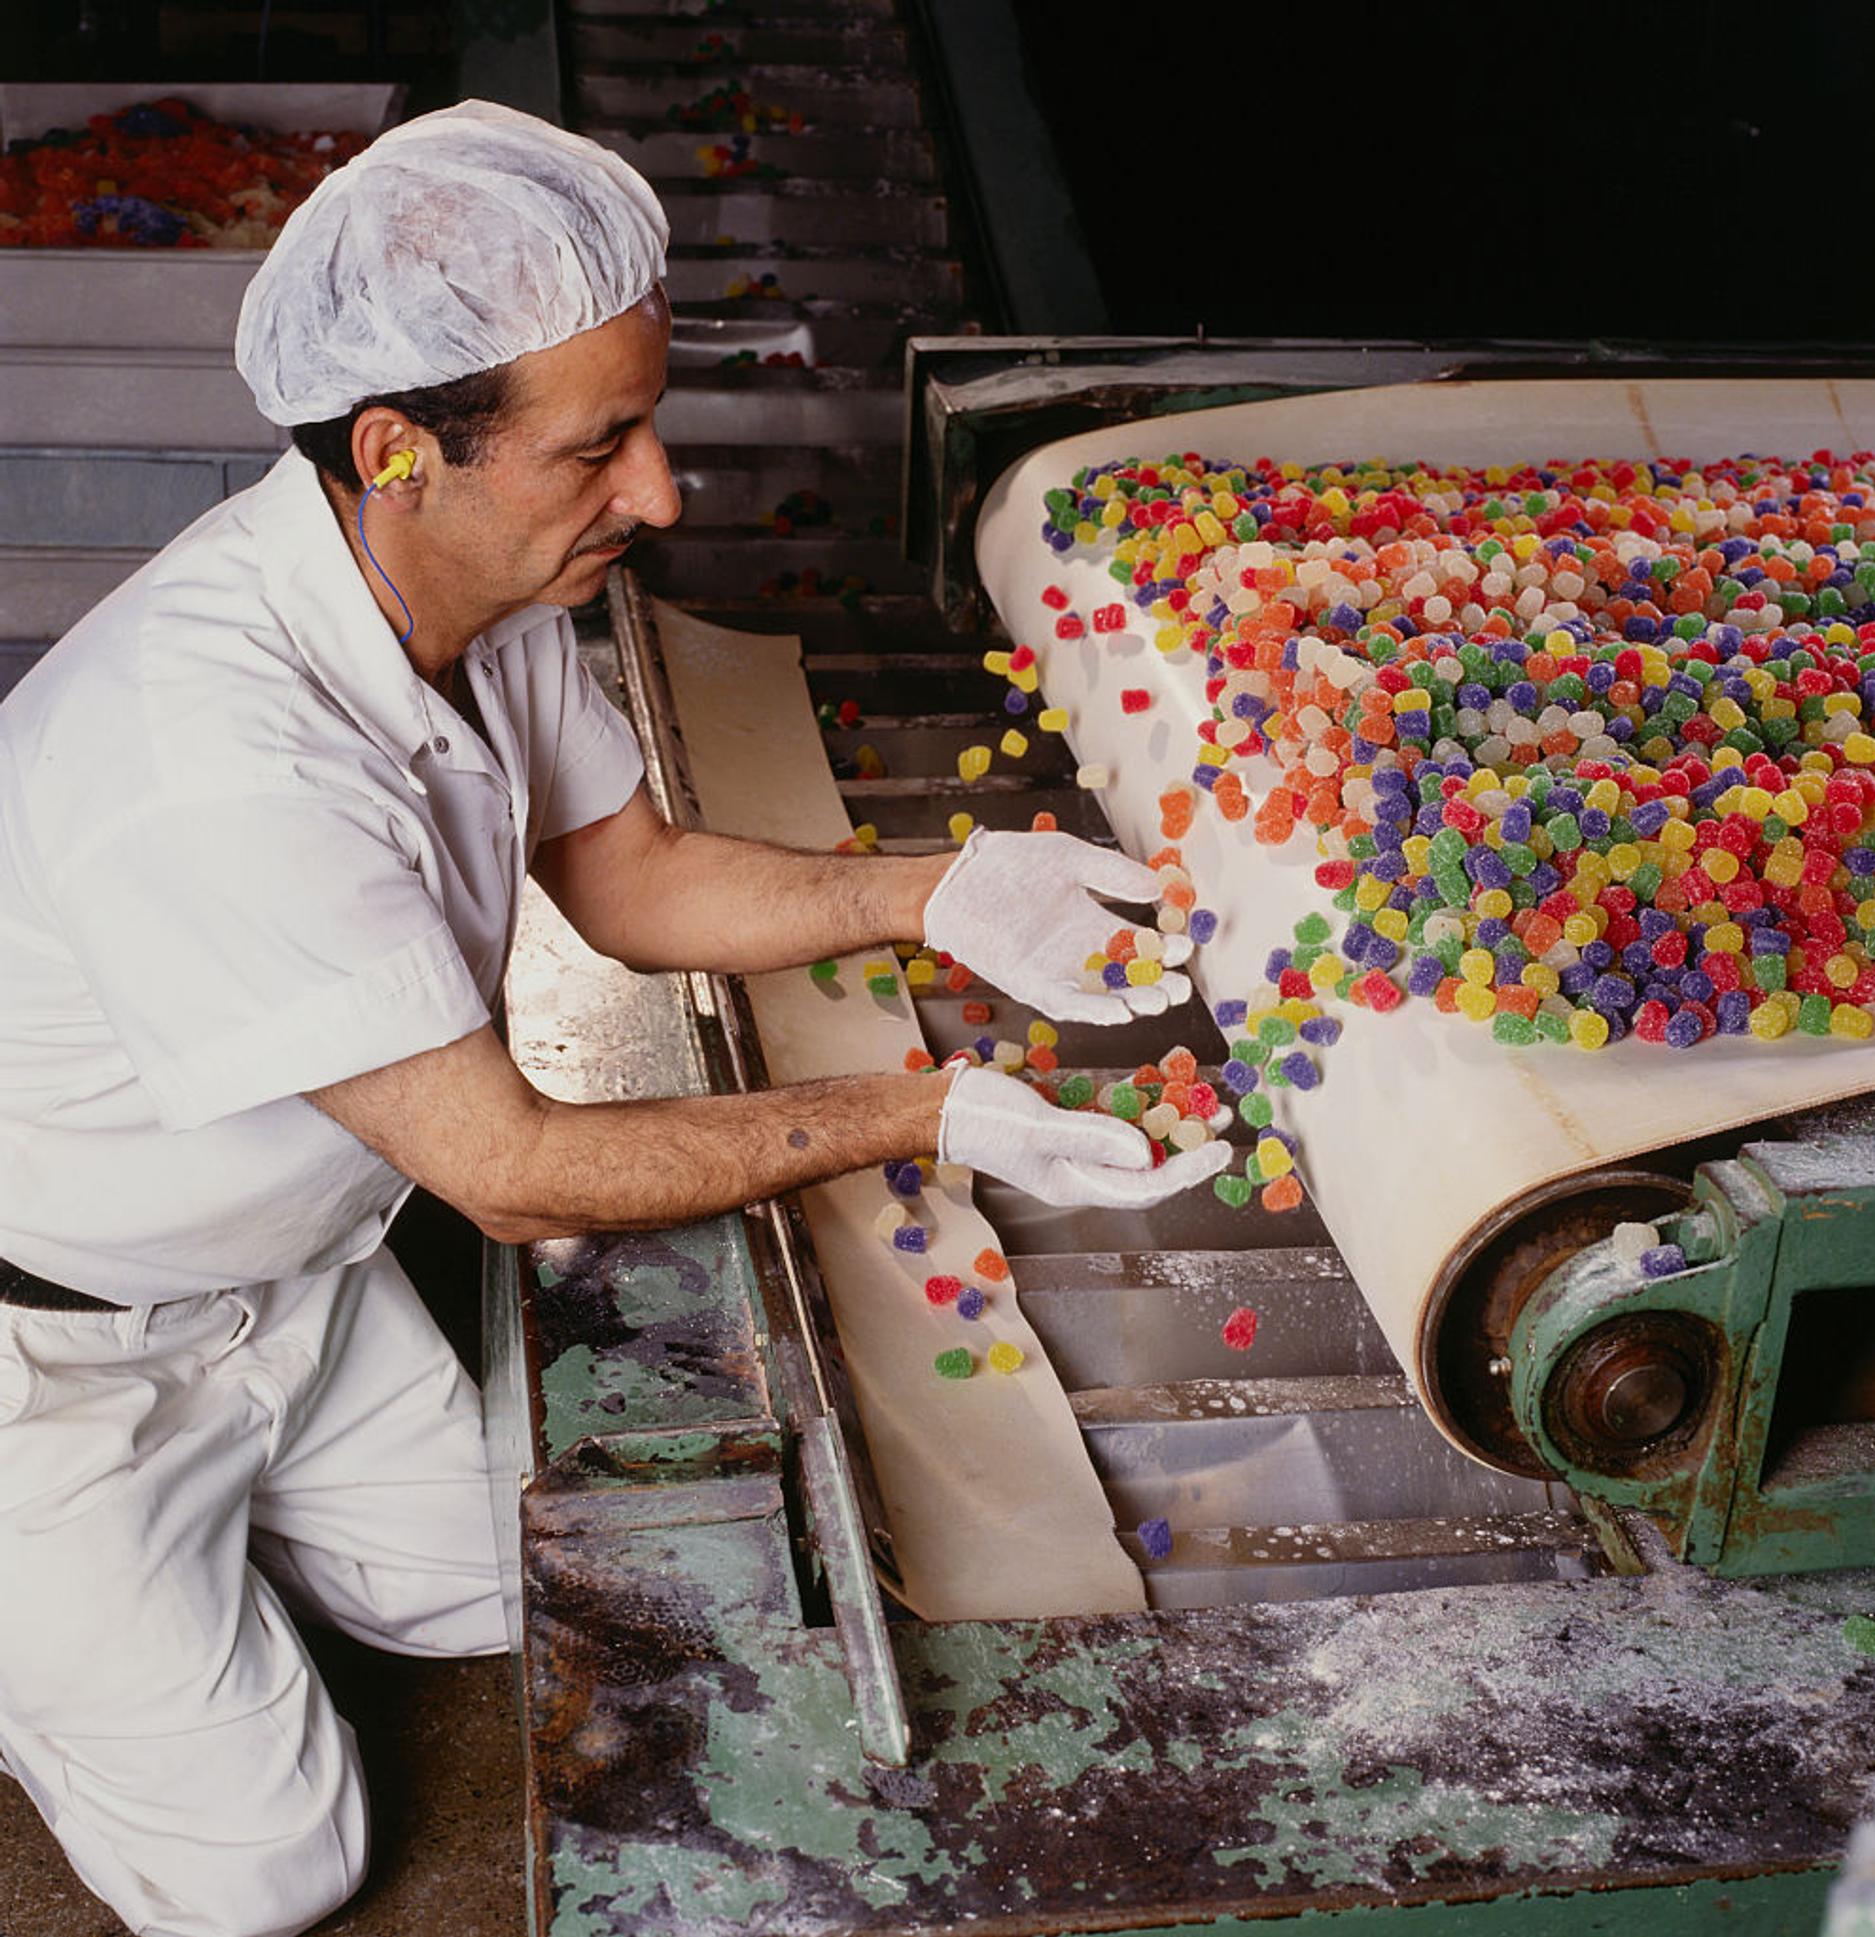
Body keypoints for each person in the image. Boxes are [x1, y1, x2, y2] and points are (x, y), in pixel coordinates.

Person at [0, 102, 1229, 1937]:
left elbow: (634, 879)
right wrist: (929, 1110)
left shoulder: (475, 586)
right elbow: (511, 1170)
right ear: (399, 448)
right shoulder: (219, 759)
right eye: (603, 448)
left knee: (565, 1583)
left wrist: (942, 885)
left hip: (293, 1295)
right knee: (268, 1873)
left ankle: (199, 1572)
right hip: (55, 1361)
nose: (658, 493)